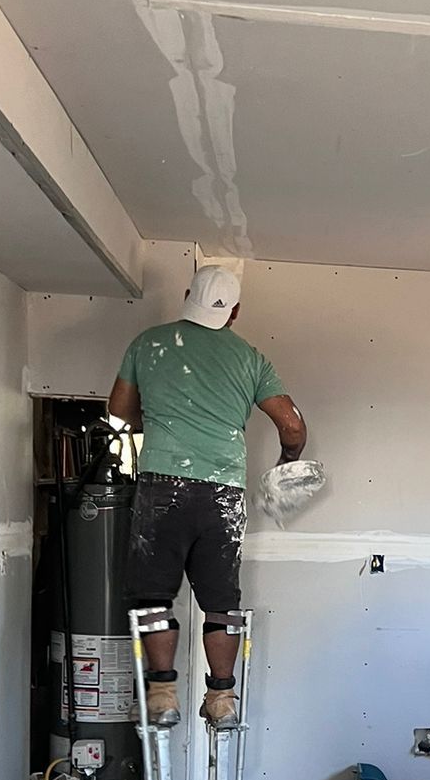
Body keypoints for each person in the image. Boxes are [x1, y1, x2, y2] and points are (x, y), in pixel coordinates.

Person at [107, 265, 306, 729]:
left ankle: (161, 694)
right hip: (223, 494)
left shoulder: (148, 343)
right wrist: (287, 462)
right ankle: (221, 698)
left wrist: (153, 423)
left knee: (154, 597)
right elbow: (292, 425)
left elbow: (118, 412)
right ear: (234, 312)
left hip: (162, 486)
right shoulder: (251, 358)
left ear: (186, 294)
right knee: (222, 603)